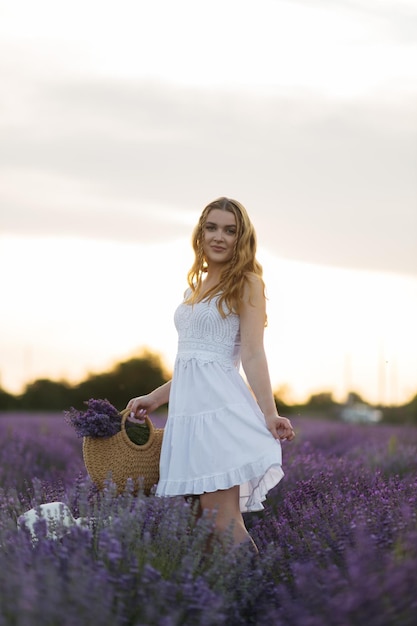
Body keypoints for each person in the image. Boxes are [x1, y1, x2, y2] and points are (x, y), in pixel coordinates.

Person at [126, 197, 295, 553]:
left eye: (229, 230)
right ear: (200, 234)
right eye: (212, 227)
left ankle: (260, 597)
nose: (219, 237)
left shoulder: (247, 283)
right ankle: (229, 601)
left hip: (219, 415)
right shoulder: (193, 289)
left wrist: (269, 412)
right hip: (189, 416)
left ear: (241, 238)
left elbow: (251, 353)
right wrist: (155, 397)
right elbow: (194, 363)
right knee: (204, 522)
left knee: (221, 519)